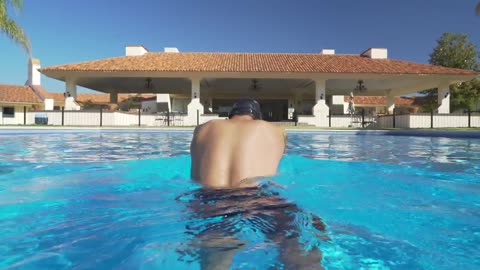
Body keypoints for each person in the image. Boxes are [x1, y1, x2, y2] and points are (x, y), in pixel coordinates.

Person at [184, 98, 325, 269]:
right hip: (255, 198)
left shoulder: (203, 129)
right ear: (257, 117)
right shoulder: (274, 130)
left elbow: (195, 177)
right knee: (301, 242)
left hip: (208, 199)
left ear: (230, 116)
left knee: (215, 254)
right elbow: (271, 174)